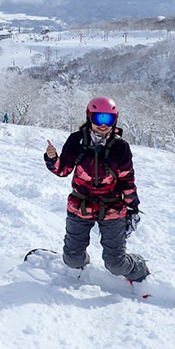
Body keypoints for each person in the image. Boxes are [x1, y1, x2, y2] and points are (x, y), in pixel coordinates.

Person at [44, 96, 149, 281]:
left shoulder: (121, 147)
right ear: (89, 117)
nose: (103, 124)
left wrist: (133, 207)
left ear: (114, 120)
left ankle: (140, 270)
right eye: (98, 118)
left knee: (115, 264)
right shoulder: (76, 140)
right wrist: (52, 159)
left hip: (113, 208)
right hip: (80, 206)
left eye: (108, 119)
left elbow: (127, 180)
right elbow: (63, 170)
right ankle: (82, 267)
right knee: (72, 259)